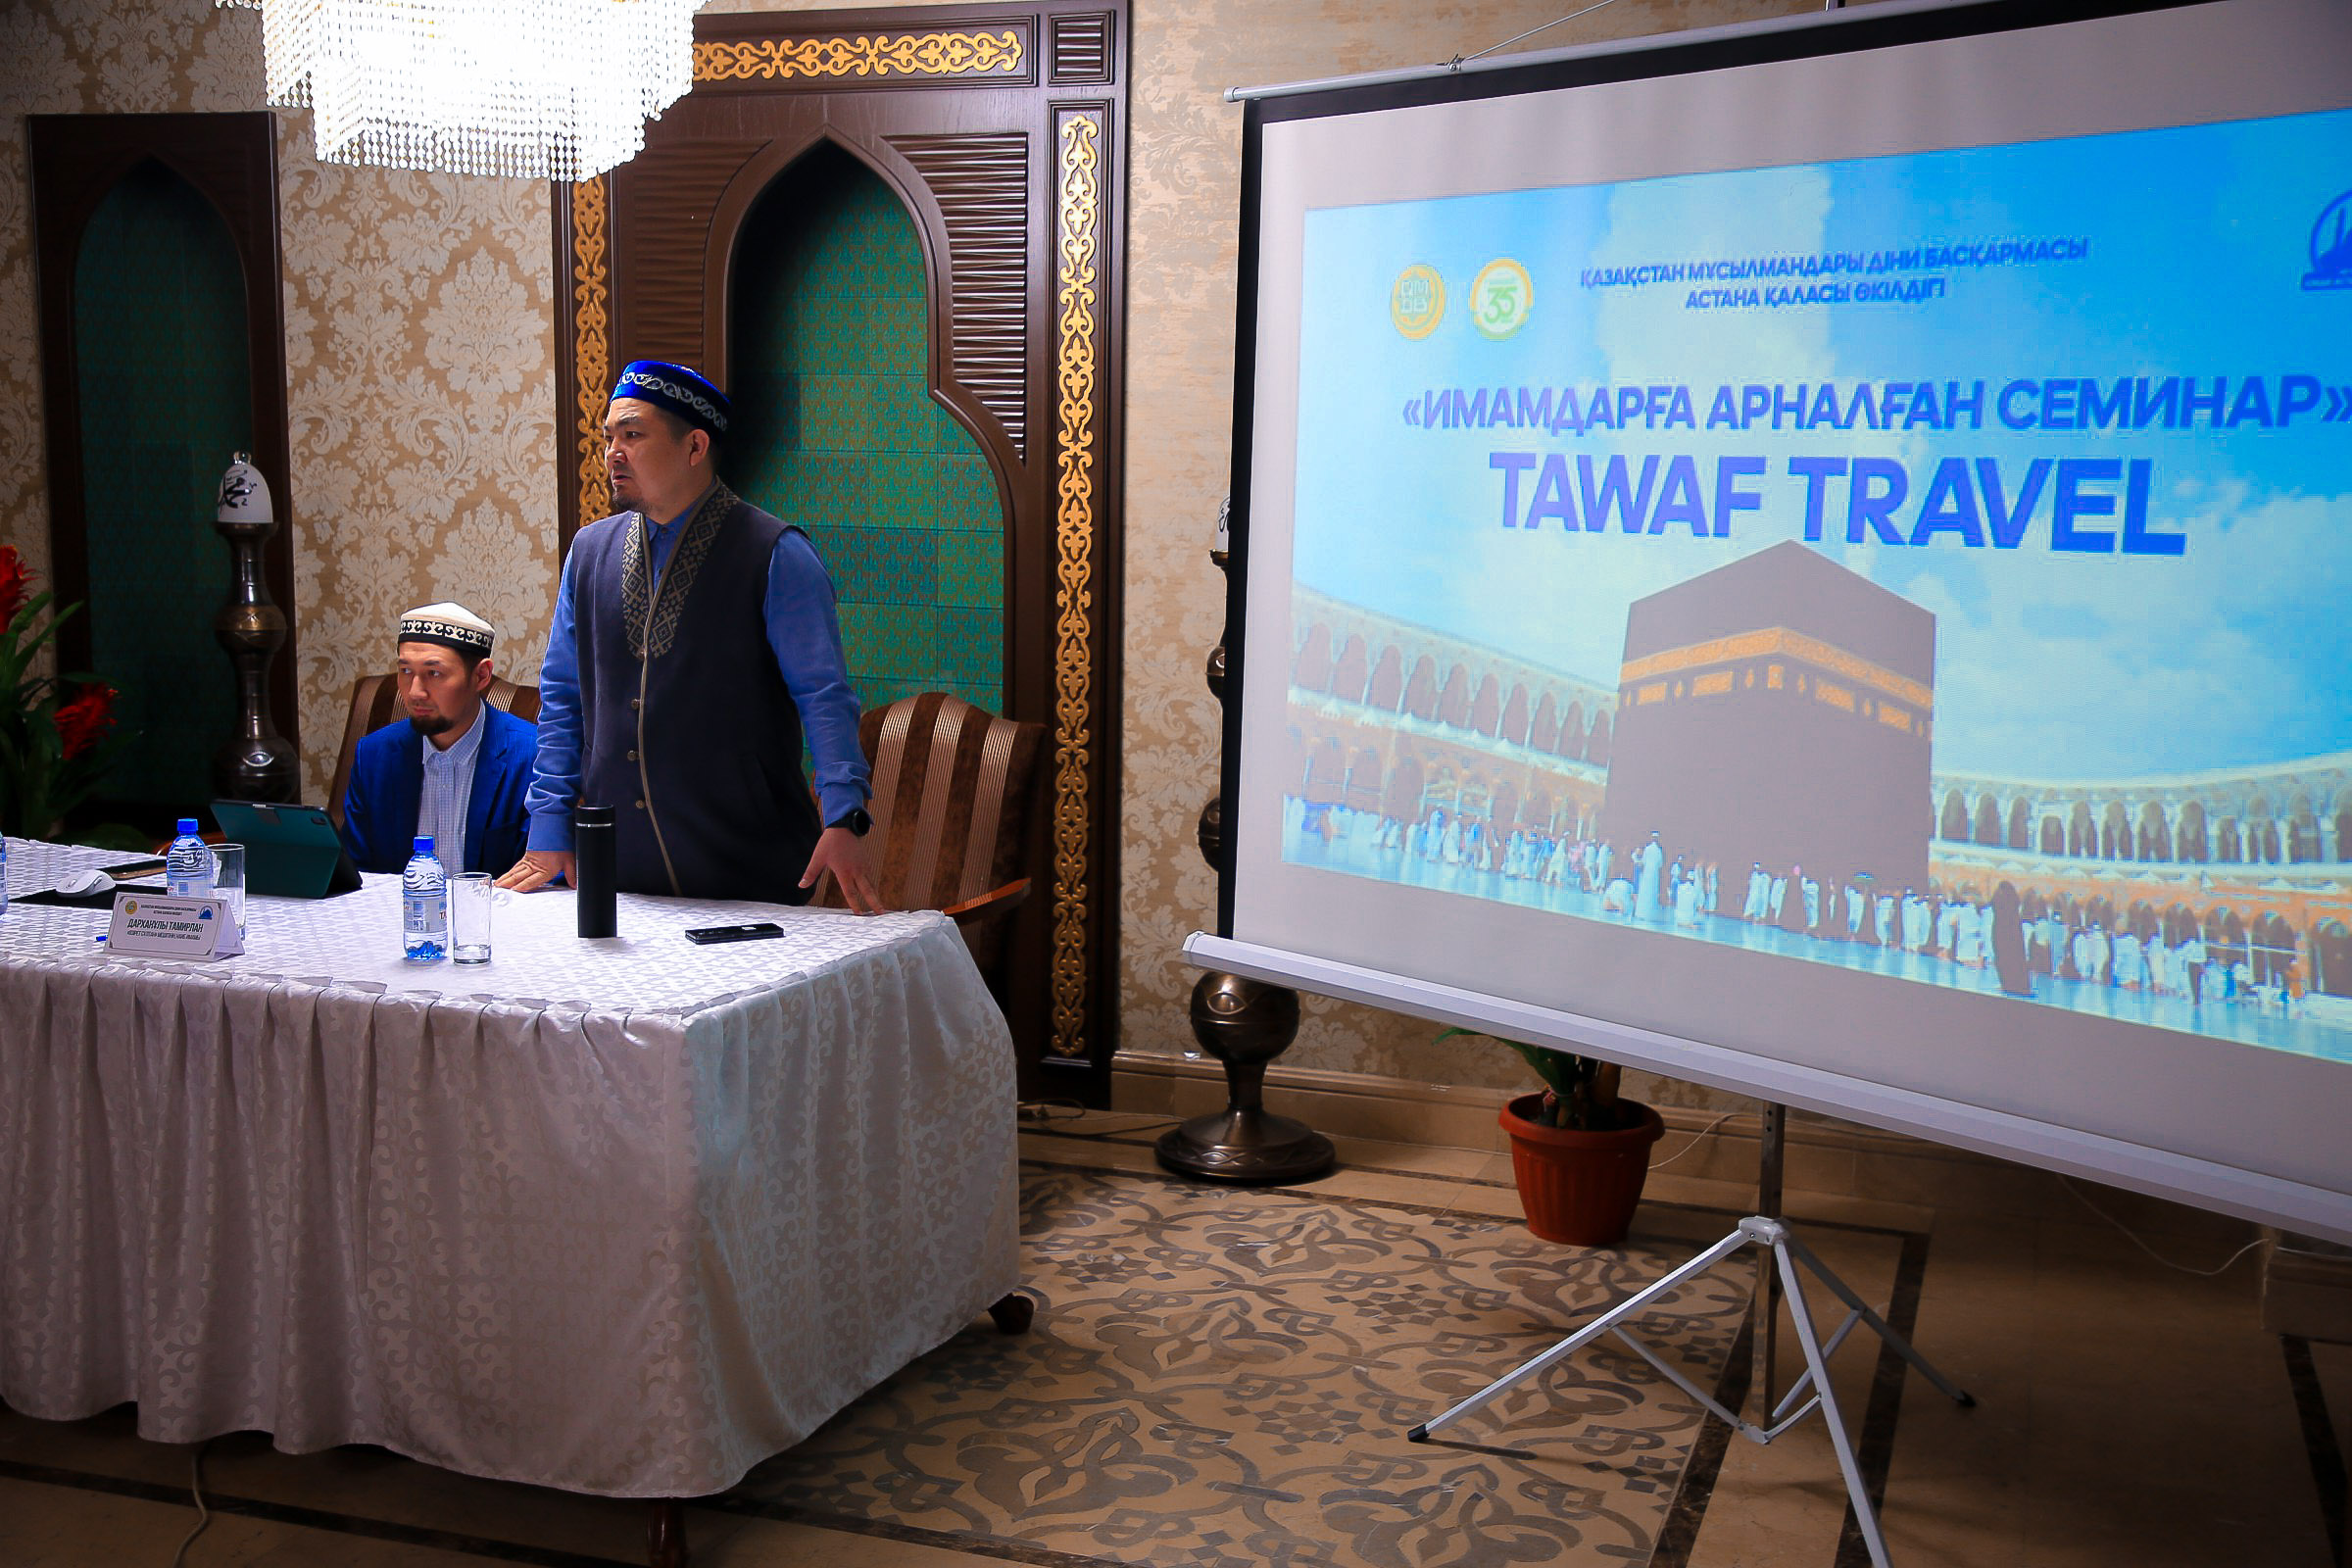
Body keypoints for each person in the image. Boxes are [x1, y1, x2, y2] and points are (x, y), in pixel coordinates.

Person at [497, 362, 881, 911]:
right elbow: (563, 698)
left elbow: (823, 696)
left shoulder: (774, 553)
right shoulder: (589, 553)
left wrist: (844, 815)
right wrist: (550, 826)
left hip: (747, 867)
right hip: (619, 869)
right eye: (609, 438)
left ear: (695, 446)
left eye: (633, 435)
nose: (613, 453)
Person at [339, 602, 538, 876]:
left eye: (434, 673)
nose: (415, 692)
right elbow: (356, 872)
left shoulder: (533, 756)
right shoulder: (374, 755)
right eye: (405, 671)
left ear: (481, 675)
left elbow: (546, 879)